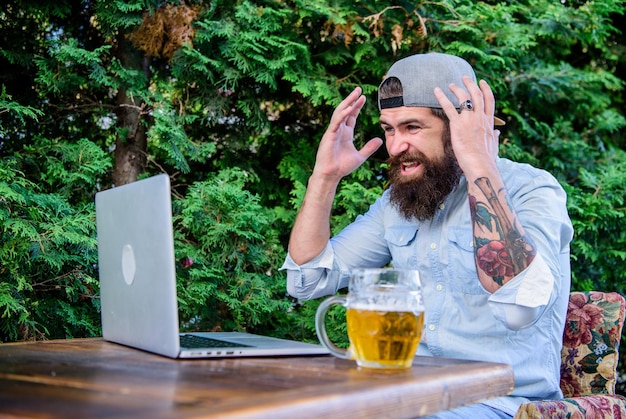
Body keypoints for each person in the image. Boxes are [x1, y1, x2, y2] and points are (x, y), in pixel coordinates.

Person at [281, 52, 573, 418]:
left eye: (412, 128)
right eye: (389, 129)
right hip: (404, 400)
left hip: (499, 405)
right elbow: (305, 281)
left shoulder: (533, 190)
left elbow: (518, 309)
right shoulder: (396, 203)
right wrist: (324, 178)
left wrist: (477, 160)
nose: (395, 146)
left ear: (458, 128)